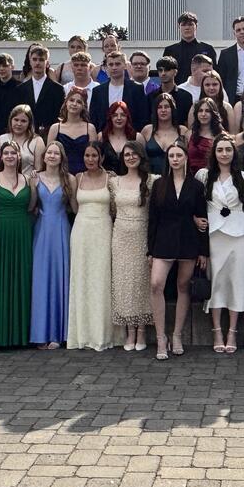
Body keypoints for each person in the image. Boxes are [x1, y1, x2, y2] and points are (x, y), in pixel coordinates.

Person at [196, 134, 244, 354]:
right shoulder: (204, 176)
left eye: (228, 150)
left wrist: (234, 218)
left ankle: (232, 331)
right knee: (217, 281)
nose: (224, 154)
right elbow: (198, 203)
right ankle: (217, 331)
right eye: (220, 150)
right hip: (213, 233)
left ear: (234, 153)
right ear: (214, 153)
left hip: (237, 233)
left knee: (236, 280)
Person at [147, 141, 206, 358]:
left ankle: (177, 334)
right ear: (167, 159)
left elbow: (202, 218)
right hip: (163, 241)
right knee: (156, 284)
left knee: (183, 286)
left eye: (178, 155)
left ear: (186, 158)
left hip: (188, 240)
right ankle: (161, 337)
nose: (175, 159)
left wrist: (203, 251)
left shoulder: (197, 186)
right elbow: (153, 219)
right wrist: (150, 251)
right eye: (171, 155)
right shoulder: (159, 184)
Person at [0, 141, 35, 349]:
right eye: (6, 153)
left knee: (20, 279)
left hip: (22, 233)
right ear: (1, 157)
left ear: (19, 156)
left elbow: (31, 206)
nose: (10, 156)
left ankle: (20, 335)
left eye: (14, 153)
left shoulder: (27, 179)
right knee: (0, 278)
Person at [68, 141, 116, 350]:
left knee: (102, 280)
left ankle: (103, 334)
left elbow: (114, 207)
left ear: (102, 157)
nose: (90, 160)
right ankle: (83, 334)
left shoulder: (111, 178)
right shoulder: (77, 178)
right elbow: (74, 206)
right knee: (82, 279)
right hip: (81, 231)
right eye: (87, 156)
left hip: (104, 230)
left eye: (94, 156)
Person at [110, 140, 155, 353]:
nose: (130, 157)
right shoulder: (114, 182)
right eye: (126, 155)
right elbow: (111, 209)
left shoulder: (151, 181)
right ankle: (129, 330)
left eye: (133, 154)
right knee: (124, 282)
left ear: (141, 156)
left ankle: (141, 330)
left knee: (140, 281)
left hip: (142, 235)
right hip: (120, 236)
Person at [30, 139, 73, 350]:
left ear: (61, 157)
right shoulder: (35, 178)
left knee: (59, 278)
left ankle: (58, 333)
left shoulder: (69, 179)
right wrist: (30, 188)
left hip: (61, 230)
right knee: (41, 279)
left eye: (56, 153)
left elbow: (74, 207)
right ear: (44, 156)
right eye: (49, 153)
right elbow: (31, 206)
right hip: (42, 230)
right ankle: (40, 333)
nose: (52, 156)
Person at [89, 50, 151, 131]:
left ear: (125, 66)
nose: (114, 67)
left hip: (130, 137)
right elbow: (94, 119)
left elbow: (142, 116)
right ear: (107, 67)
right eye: (111, 64)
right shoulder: (98, 91)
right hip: (104, 138)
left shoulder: (137, 88)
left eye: (117, 64)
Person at [19, 45, 66, 136]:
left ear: (47, 63)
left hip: (49, 136)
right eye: (34, 59)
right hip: (26, 135)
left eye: (41, 60)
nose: (37, 63)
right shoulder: (21, 89)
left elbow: (60, 115)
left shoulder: (58, 89)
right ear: (30, 62)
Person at [46, 89, 96, 174]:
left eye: (79, 102)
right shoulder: (55, 128)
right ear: (66, 102)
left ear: (84, 106)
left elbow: (94, 156)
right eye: (71, 100)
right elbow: (48, 157)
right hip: (61, 175)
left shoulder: (90, 128)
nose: (74, 104)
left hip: (84, 176)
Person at [162, 11, 217, 81]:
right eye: (183, 25)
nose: (187, 27)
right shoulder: (170, 51)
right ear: (179, 27)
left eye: (190, 24)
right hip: (178, 90)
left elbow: (214, 74)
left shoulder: (208, 49)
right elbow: (165, 75)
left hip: (202, 90)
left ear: (196, 26)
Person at [141, 93, 188, 174]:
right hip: (151, 179)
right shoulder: (147, 130)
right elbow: (140, 157)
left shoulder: (182, 131)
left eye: (166, 107)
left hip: (175, 178)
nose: (163, 110)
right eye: (159, 107)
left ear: (173, 109)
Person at [150, 55, 193, 126]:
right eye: (160, 70)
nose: (163, 73)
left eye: (167, 70)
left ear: (175, 72)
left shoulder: (186, 96)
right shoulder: (151, 96)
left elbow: (188, 122)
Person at [0, 104, 43, 171]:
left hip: (28, 180)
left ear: (29, 123)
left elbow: (39, 169)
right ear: (11, 120)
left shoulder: (37, 141)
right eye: (16, 120)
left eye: (23, 121)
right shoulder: (1, 139)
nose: (19, 124)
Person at [100, 98, 138, 175]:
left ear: (128, 117)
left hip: (130, 182)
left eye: (123, 115)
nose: (119, 118)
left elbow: (143, 162)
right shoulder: (101, 137)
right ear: (110, 117)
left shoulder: (137, 137)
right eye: (115, 115)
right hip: (108, 182)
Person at [187, 97, 222, 174]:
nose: (203, 114)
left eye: (207, 111)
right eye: (200, 111)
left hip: (211, 177)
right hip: (191, 178)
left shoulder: (220, 136)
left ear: (213, 113)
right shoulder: (189, 134)